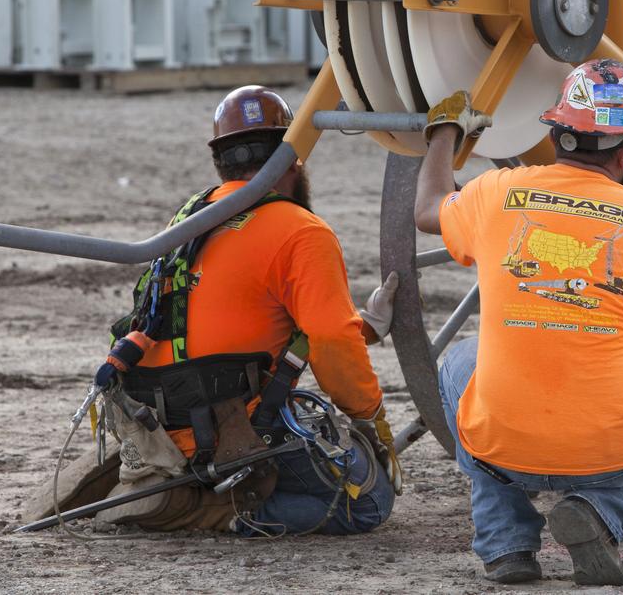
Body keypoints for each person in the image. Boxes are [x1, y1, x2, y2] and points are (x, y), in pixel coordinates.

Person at [32, 85, 400, 535]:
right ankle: (209, 509)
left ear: (220, 162)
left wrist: (366, 328)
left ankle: (168, 478)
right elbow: (330, 339)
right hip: (231, 432)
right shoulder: (302, 231)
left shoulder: (191, 216)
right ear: (294, 158)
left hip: (159, 422)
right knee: (370, 502)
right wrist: (371, 420)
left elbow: (231, 319)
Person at [413, 62, 623, 586]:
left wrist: (444, 133)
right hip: (609, 455)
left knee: (460, 362)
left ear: (555, 131)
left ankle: (507, 547)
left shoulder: (494, 193)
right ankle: (598, 511)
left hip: (504, 448)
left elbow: (427, 208)